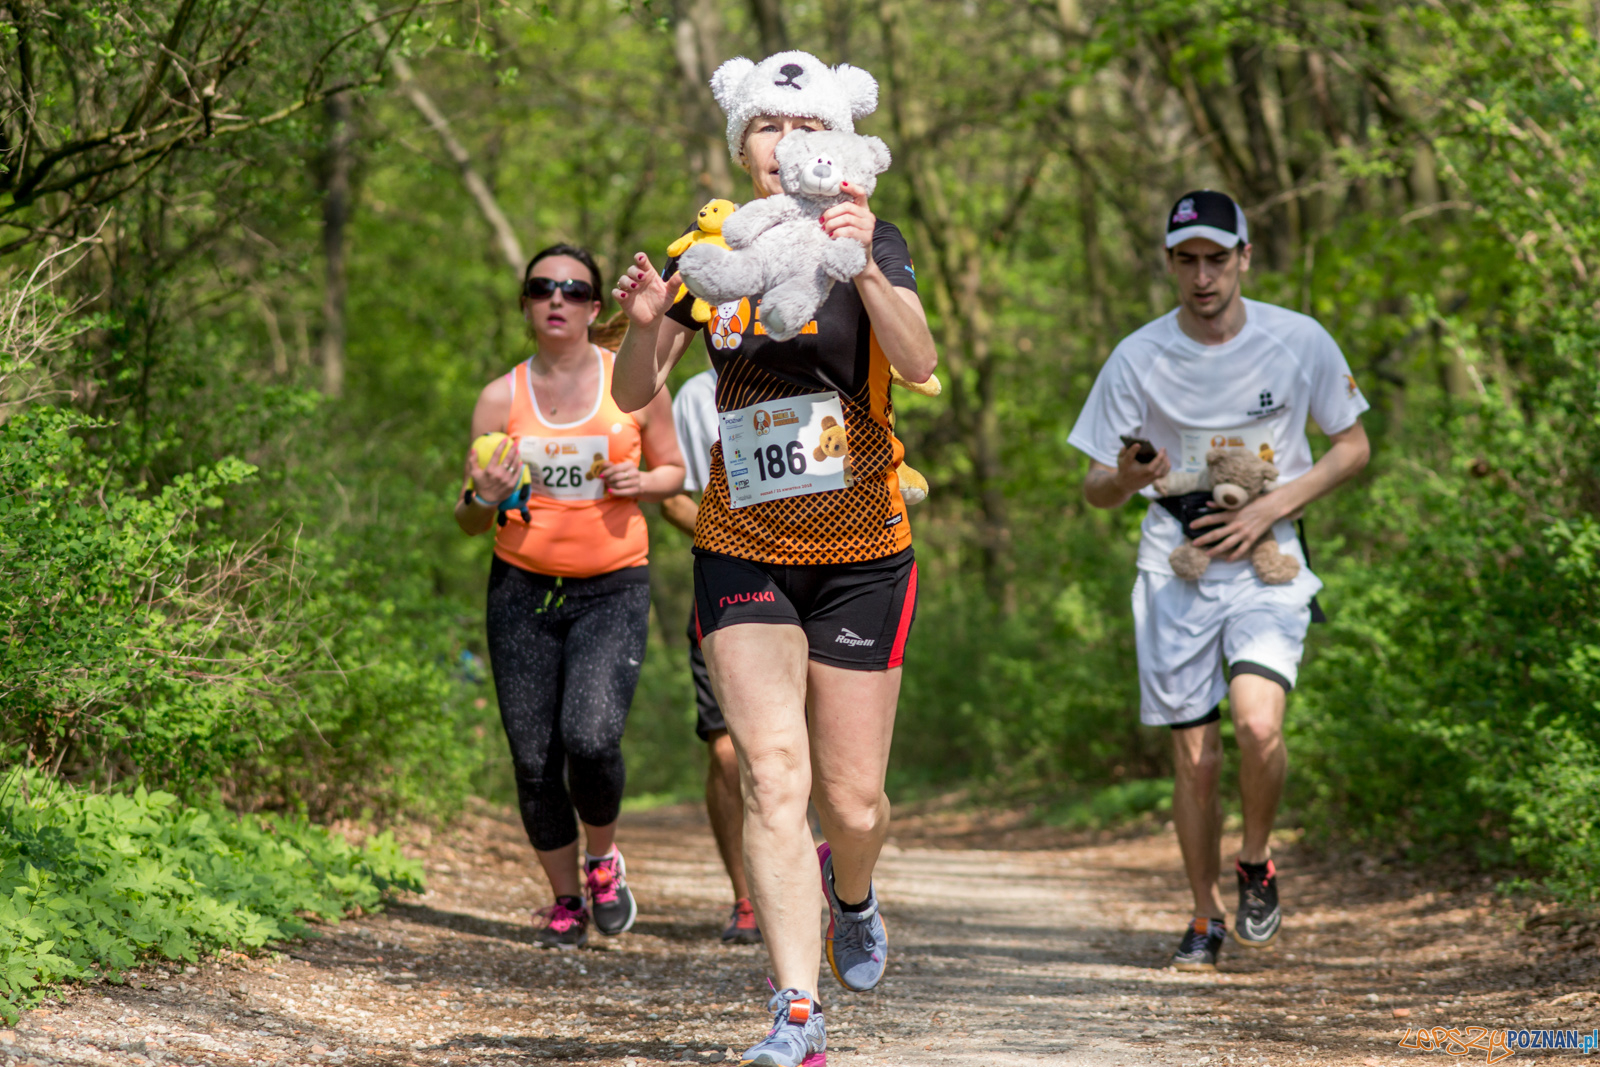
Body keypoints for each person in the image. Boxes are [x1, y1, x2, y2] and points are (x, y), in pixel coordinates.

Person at [611, 51, 938, 1067]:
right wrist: (636, 328)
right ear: (742, 145)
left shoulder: (872, 235)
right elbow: (632, 392)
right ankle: (796, 1010)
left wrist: (868, 266)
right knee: (771, 777)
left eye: (805, 126)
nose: (784, 144)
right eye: (766, 127)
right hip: (740, 544)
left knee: (852, 800)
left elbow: (921, 366)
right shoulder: (707, 247)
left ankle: (855, 890)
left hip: (863, 550)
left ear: (834, 142)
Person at [1068, 190, 1371, 972]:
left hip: (1269, 555)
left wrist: (1268, 506)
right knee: (1196, 760)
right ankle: (1203, 916)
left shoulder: (1297, 340)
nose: (1202, 276)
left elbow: (1352, 447)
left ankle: (1257, 859)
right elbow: (1095, 487)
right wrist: (1130, 476)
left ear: (1244, 257)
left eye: (1215, 258)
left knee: (1259, 725)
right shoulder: (1138, 357)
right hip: (1176, 556)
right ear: (1170, 264)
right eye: (1186, 260)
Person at [457, 244, 685, 949]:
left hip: (612, 585)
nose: (557, 298)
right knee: (532, 756)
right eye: (542, 287)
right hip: (521, 587)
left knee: (590, 736)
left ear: (594, 306)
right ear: (527, 303)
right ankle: (564, 899)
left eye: (573, 288)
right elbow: (469, 516)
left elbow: (675, 470)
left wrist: (640, 484)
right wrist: (482, 497)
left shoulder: (635, 382)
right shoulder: (501, 397)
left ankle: (602, 860)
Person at [660, 365, 763, 946]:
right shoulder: (699, 394)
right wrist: (733, 540)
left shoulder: (824, 365)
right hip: (727, 586)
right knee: (727, 753)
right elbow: (672, 497)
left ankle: (833, 880)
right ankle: (746, 898)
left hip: (819, 586)